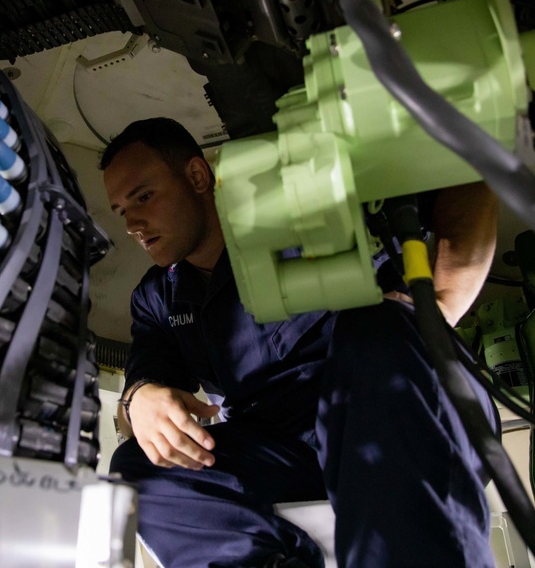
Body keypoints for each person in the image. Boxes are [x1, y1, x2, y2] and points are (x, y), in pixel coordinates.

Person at [101, 118, 500, 567]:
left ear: (196, 176)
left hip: (388, 403)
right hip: (282, 448)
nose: (134, 223)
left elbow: (467, 184)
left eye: (144, 197)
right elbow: (145, 377)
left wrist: (430, 308)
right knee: (137, 469)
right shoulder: (159, 297)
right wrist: (140, 399)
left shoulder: (296, 214)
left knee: (376, 330)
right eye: (121, 211)